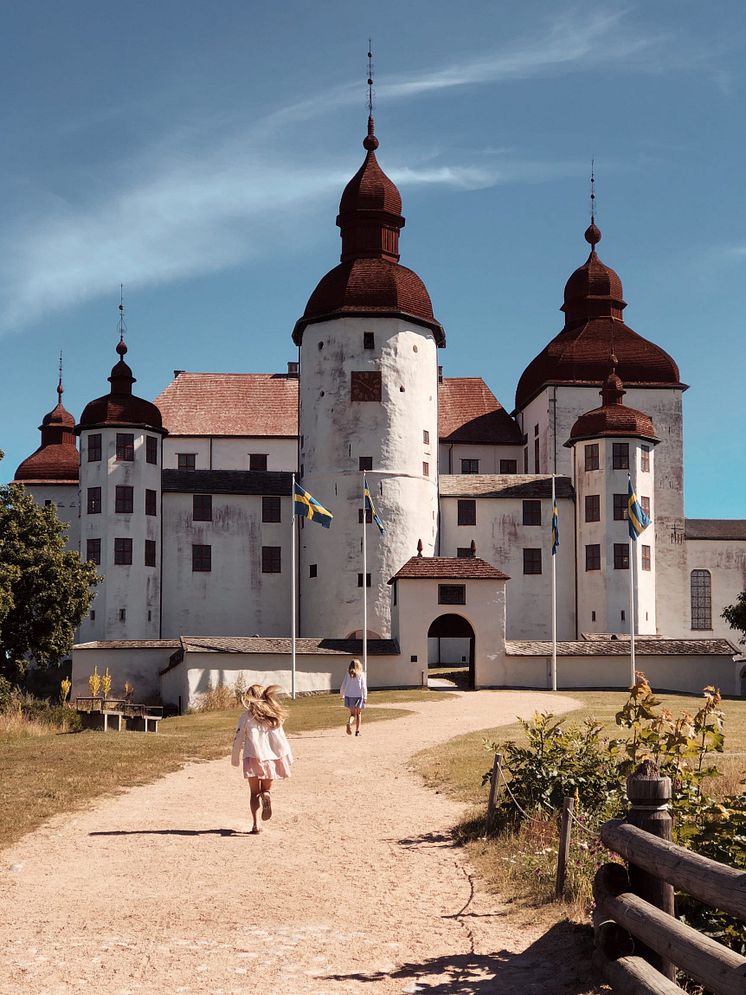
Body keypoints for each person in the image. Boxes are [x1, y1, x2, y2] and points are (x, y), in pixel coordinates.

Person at [231, 683, 293, 834]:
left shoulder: (246, 717)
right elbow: (281, 739)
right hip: (271, 759)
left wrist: (235, 757)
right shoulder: (273, 717)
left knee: (253, 793)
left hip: (252, 757)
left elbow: (238, 737)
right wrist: (288, 757)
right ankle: (266, 795)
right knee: (265, 790)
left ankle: (256, 824)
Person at [339, 658, 367, 737]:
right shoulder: (361, 674)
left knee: (352, 714)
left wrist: (342, 695)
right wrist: (365, 697)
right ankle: (357, 731)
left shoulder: (348, 674)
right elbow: (363, 686)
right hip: (358, 696)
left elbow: (343, 685)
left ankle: (349, 723)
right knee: (359, 714)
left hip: (349, 696)